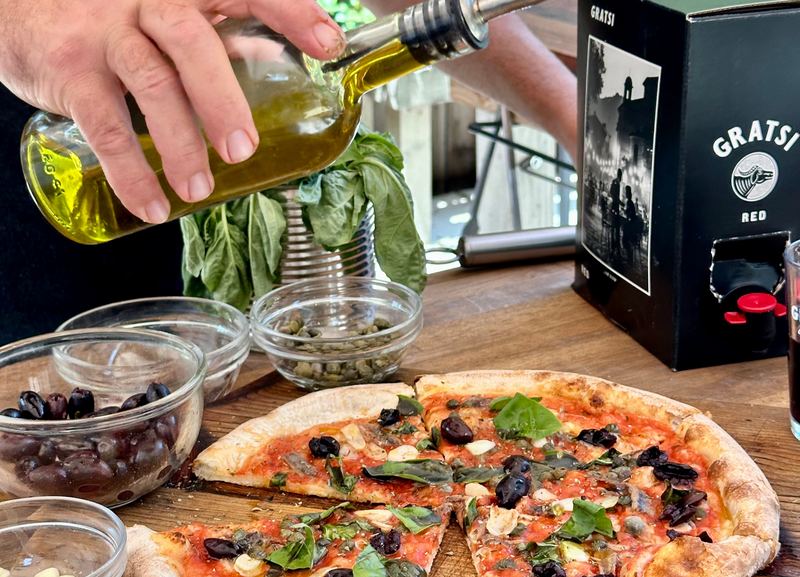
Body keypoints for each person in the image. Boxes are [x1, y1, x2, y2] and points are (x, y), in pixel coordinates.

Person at [0, 0, 577, 342]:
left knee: (138, 396)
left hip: (162, 150)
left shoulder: (330, 109)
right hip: (56, 120)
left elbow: (434, 11)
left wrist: (576, 122)